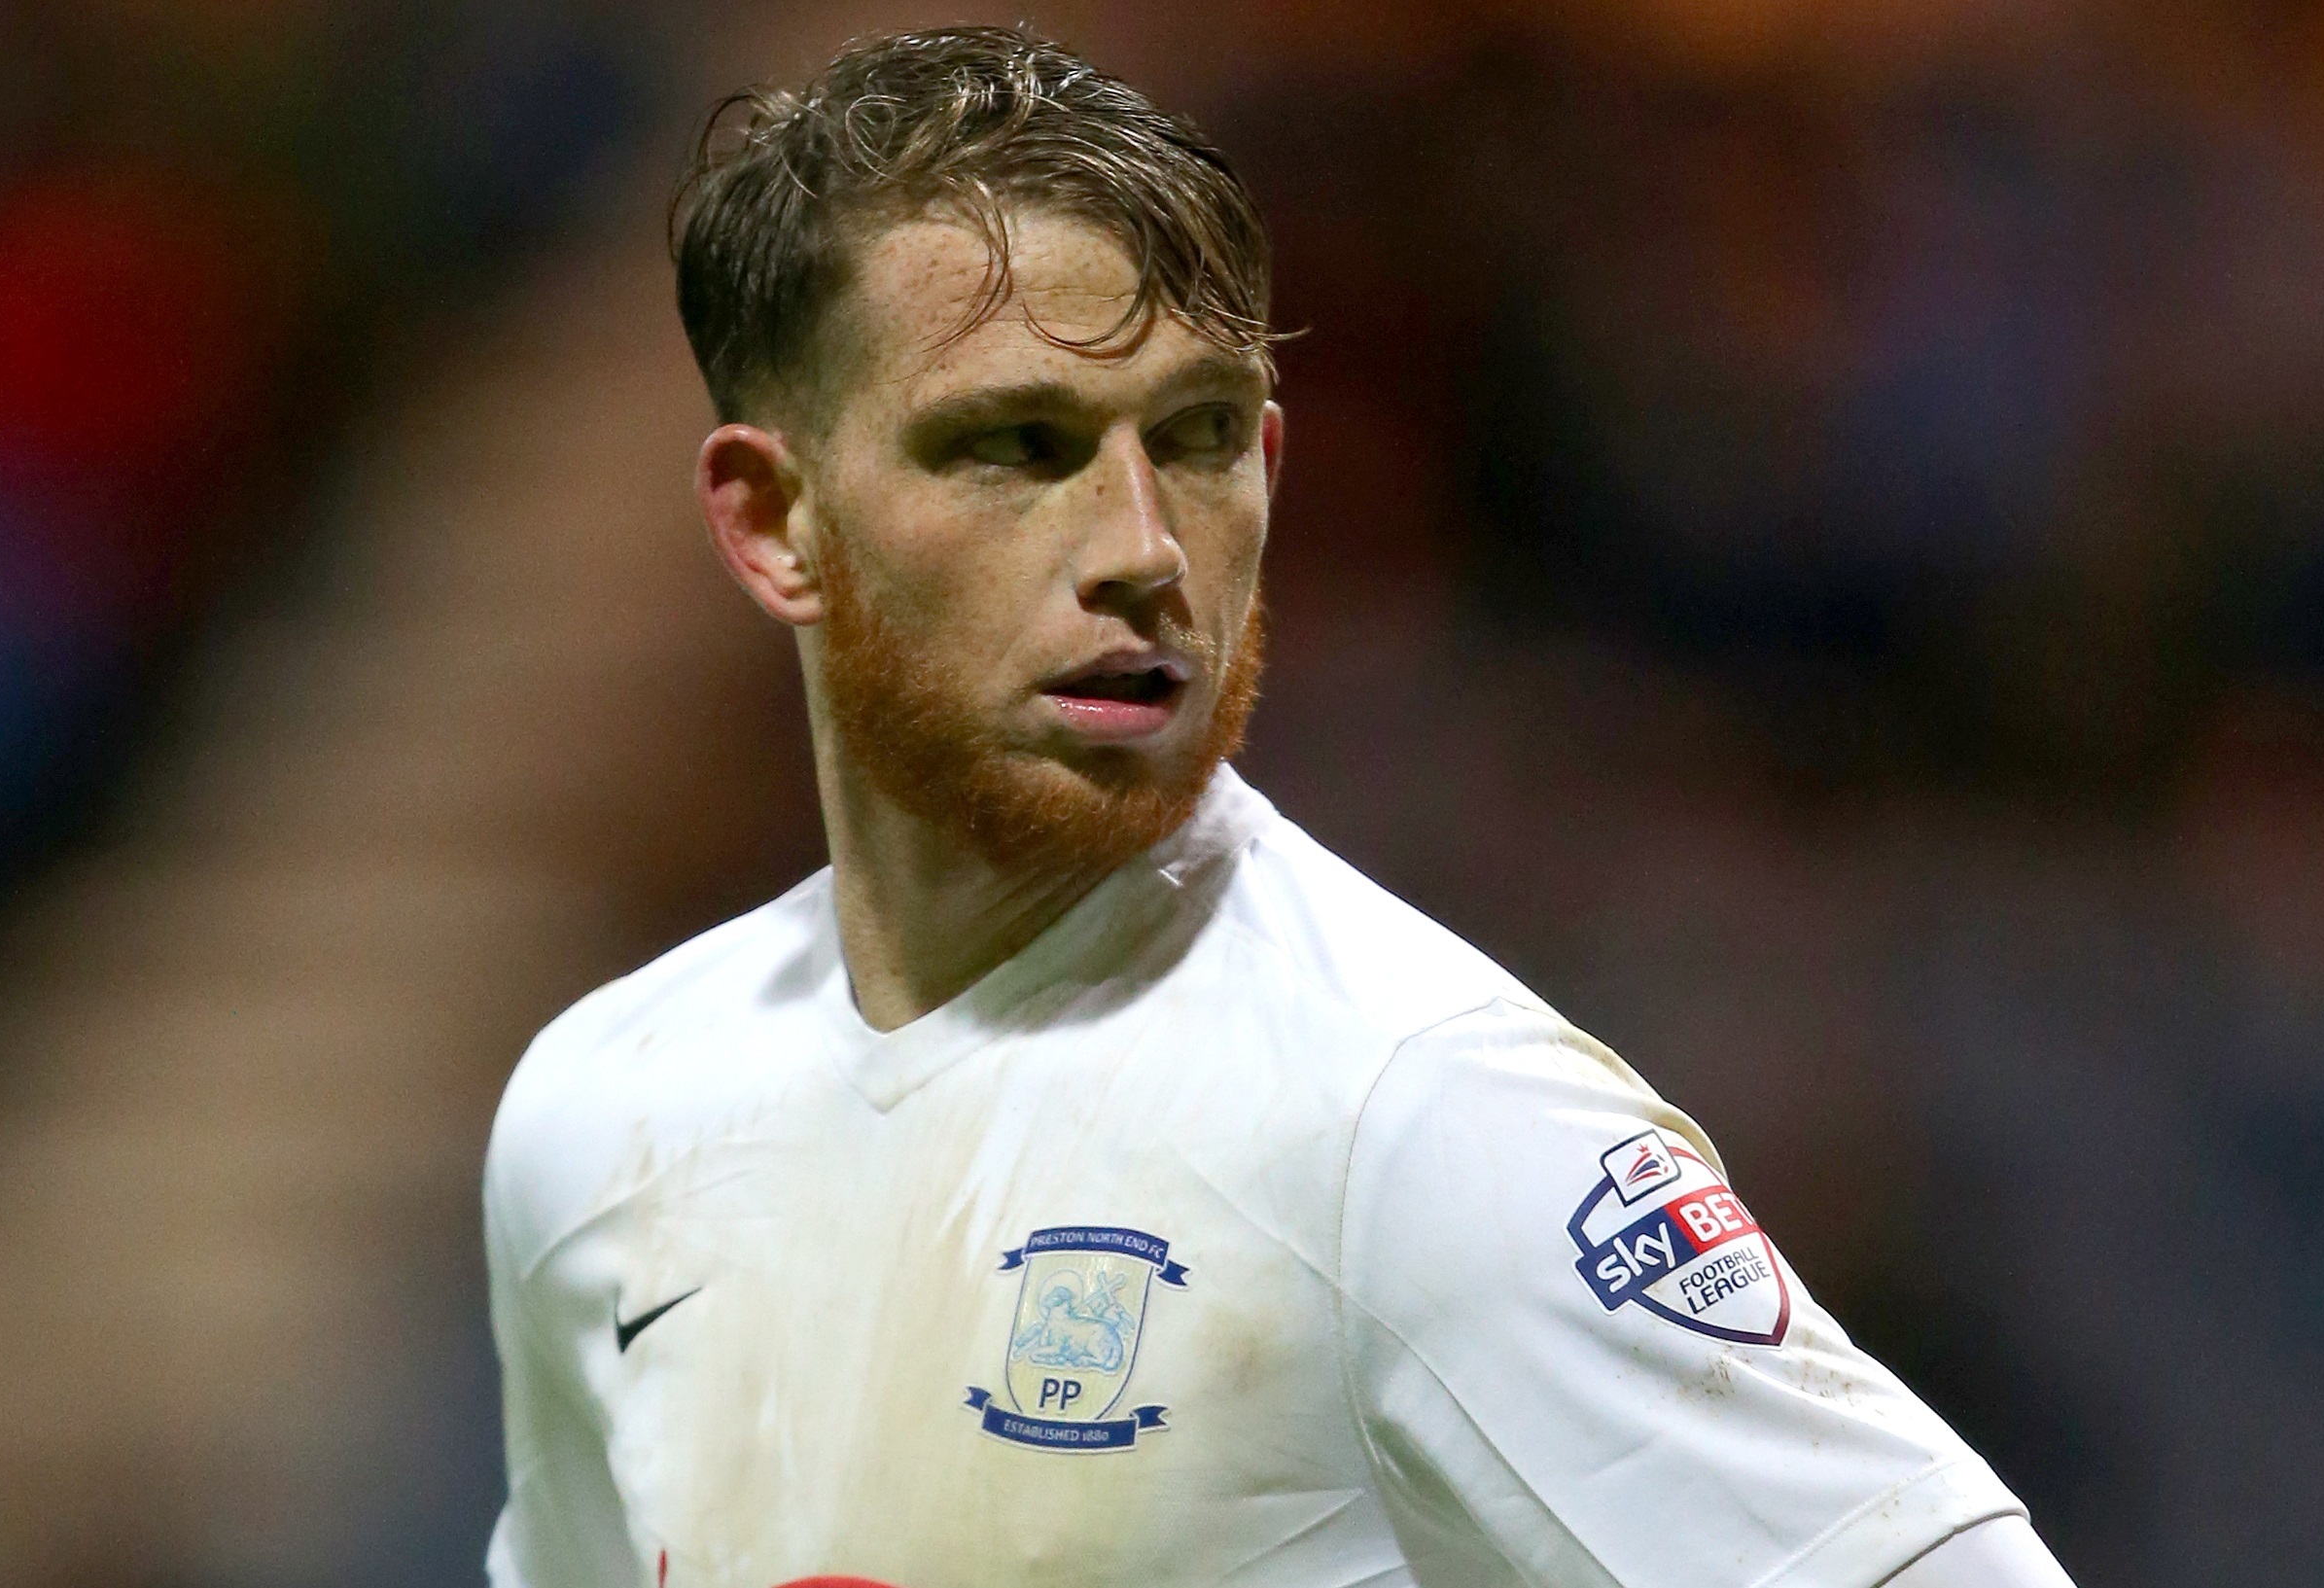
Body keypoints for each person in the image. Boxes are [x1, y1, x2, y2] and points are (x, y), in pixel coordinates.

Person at [482, 26, 2082, 1588]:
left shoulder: (1419, 1125)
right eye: (1017, 445)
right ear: (775, 522)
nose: (1143, 545)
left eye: (1193, 440)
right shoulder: (599, 1119)